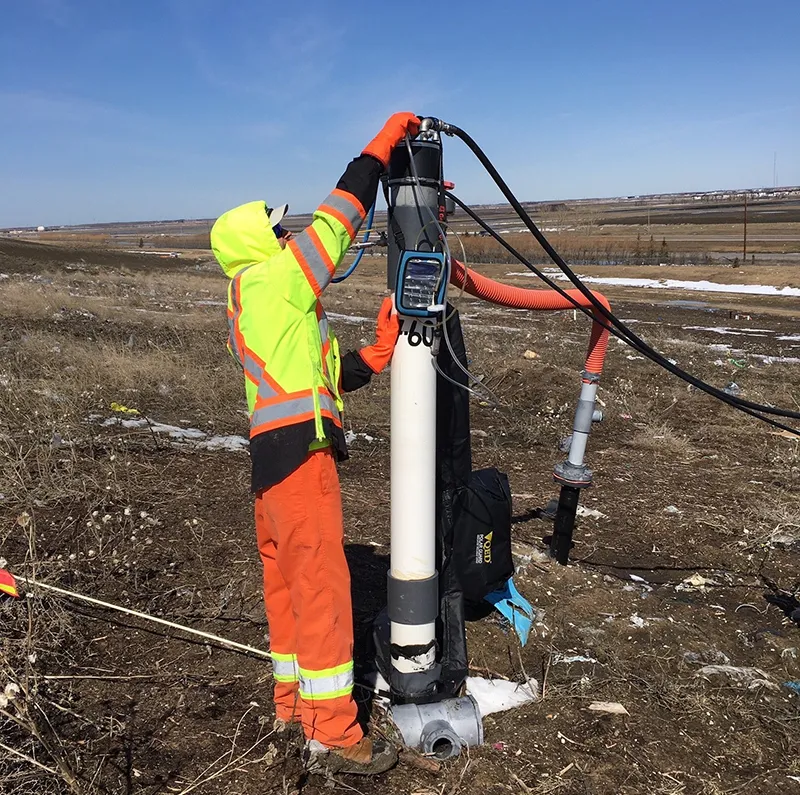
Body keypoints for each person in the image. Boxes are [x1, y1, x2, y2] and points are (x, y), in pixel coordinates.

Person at [210, 112, 420, 775]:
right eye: (276, 229)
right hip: (301, 463)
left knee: (290, 589)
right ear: (257, 242)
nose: (288, 233)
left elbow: (325, 375)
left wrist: (378, 352)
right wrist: (377, 153)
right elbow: (336, 224)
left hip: (270, 472)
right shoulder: (272, 280)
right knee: (325, 590)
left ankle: (292, 702)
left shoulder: (261, 304)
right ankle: (335, 730)